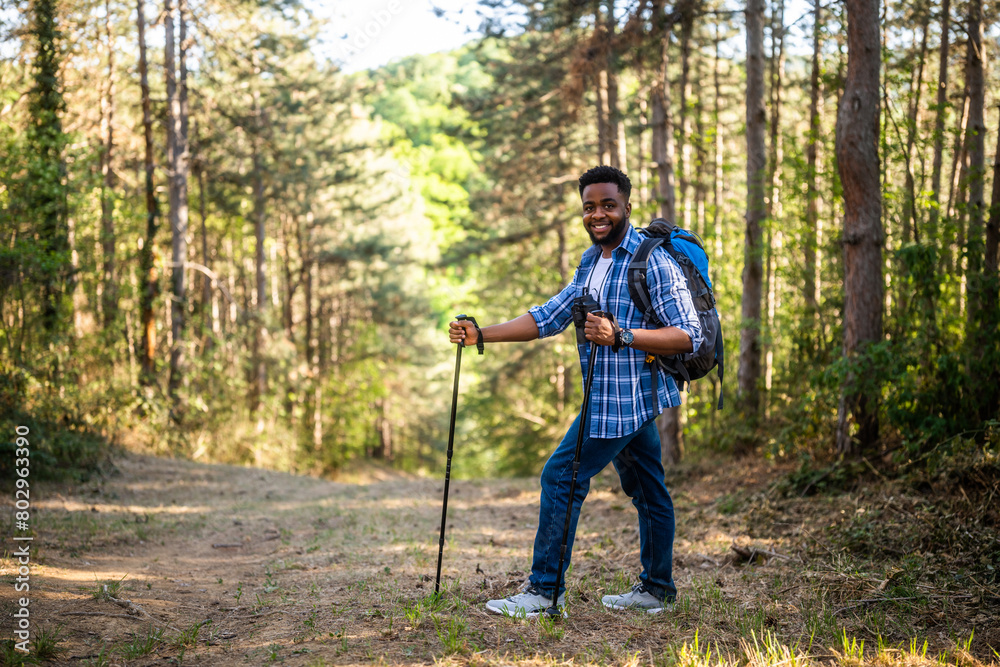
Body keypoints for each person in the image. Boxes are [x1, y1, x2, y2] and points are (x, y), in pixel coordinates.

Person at [448, 165, 703, 616]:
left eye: (608, 205)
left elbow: (689, 335)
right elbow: (548, 317)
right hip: (616, 398)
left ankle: (544, 593)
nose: (598, 214)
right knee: (648, 489)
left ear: (627, 206)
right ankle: (657, 591)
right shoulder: (591, 261)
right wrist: (481, 335)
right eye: (590, 207)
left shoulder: (654, 262)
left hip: (621, 403)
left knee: (561, 476)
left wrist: (622, 335)